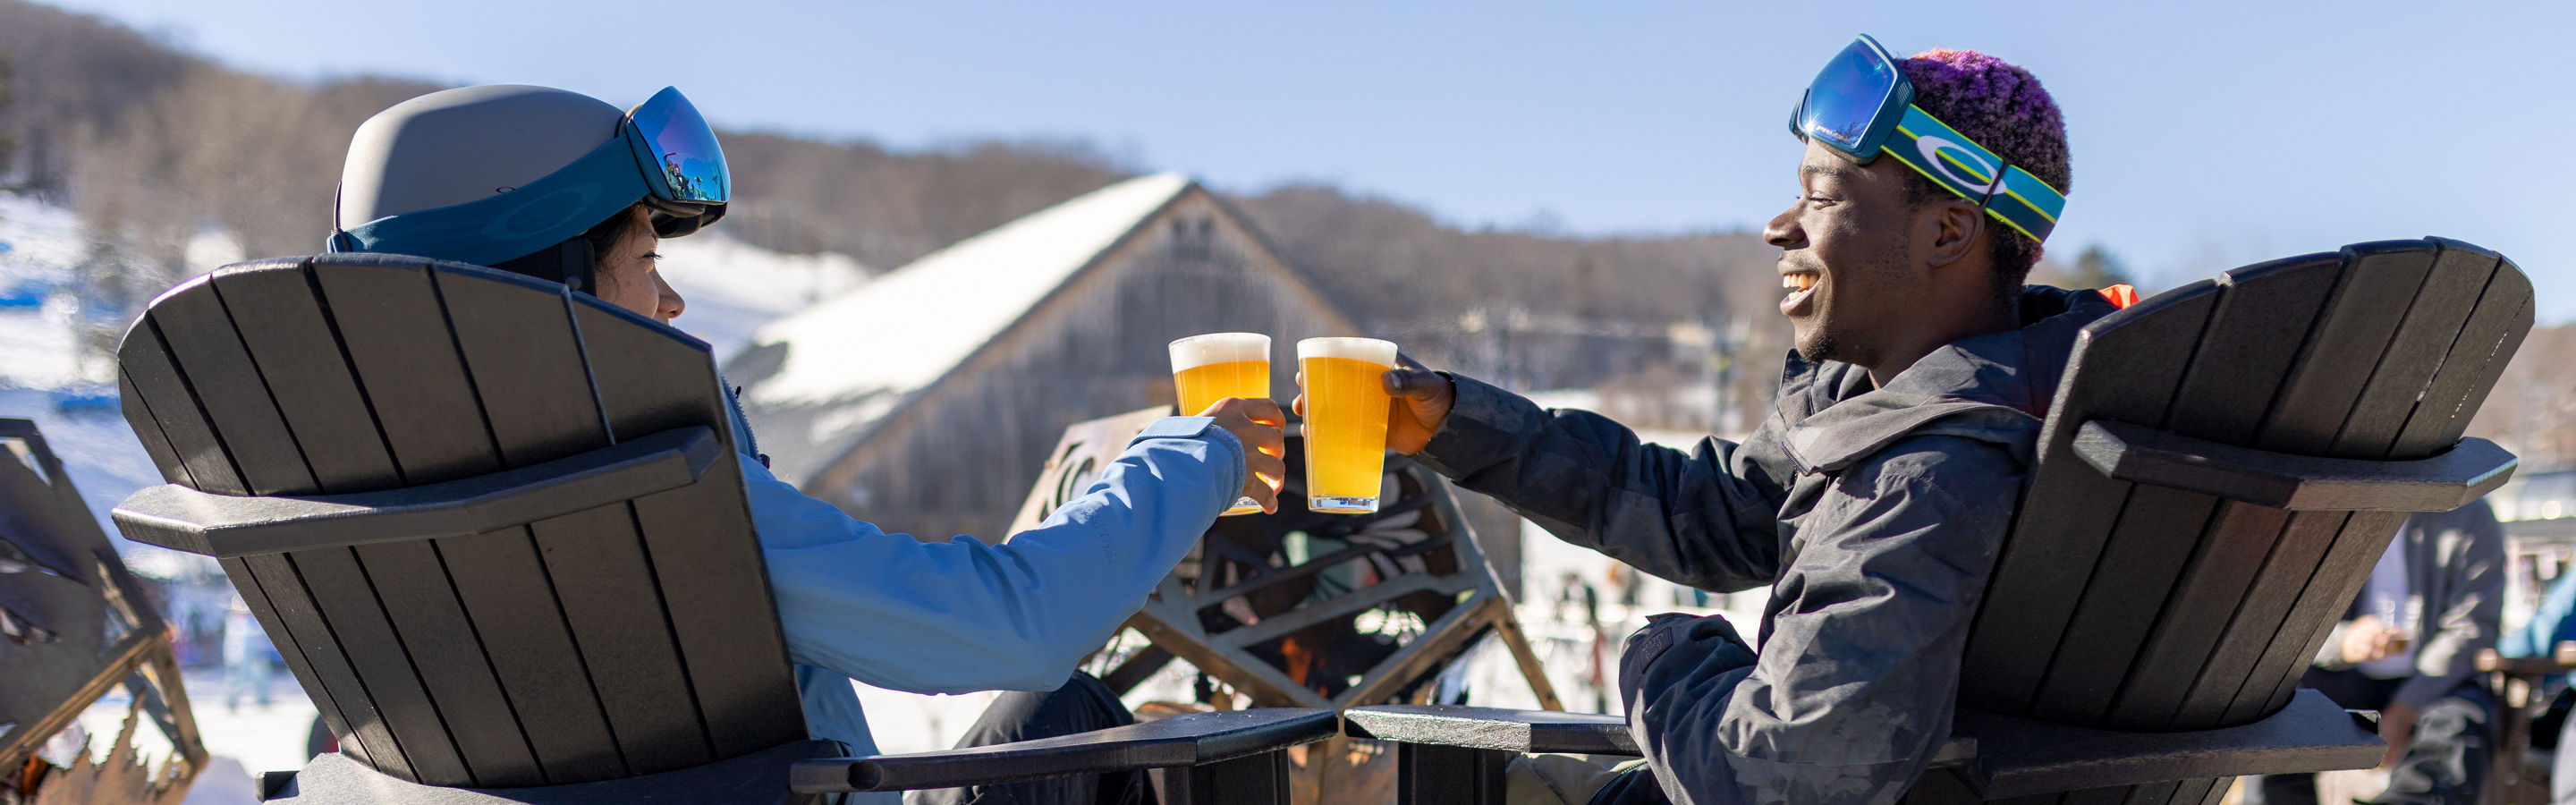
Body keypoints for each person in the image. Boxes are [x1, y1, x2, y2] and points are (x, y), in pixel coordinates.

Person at [328, 84, 1286, 805]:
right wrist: (1194, 456)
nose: (672, 302)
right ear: (557, 285)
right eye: (649, 260)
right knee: (1076, 716)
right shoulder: (658, 490)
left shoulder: (334, 496)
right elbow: (1012, 629)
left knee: (1055, 720)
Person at [1301, 36, 2098, 803]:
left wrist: (1662, 654)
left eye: (1821, 197)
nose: (1778, 227)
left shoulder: (1932, 476)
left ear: (1948, 231)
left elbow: (1773, 780)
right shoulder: (1980, 410)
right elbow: (1712, 513)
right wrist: (1455, 422)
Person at [2246, 504, 2504, 805]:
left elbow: (2471, 629)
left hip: (2434, 683)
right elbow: (2286, 619)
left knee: (2458, 728)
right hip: (2341, 673)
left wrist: (2406, 708)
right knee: (2277, 710)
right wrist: (2342, 642)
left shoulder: (2471, 516)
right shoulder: (2325, 513)